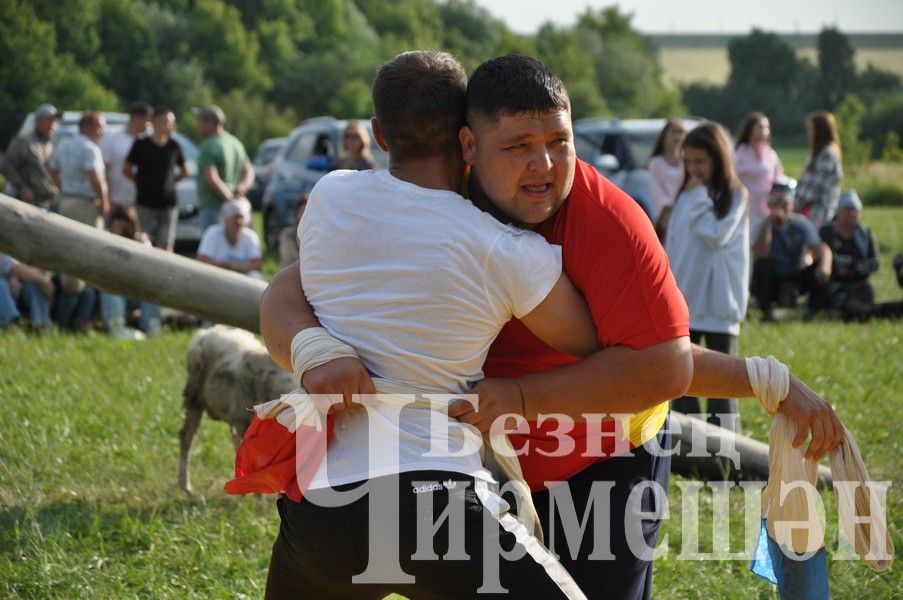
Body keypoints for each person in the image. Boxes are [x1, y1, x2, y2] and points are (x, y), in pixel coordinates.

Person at [259, 55, 844, 600]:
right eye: (516, 146)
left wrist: (767, 380)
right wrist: (313, 347)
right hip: (481, 470)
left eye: (558, 143)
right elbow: (291, 286)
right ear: (468, 146)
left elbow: (658, 363)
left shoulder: (607, 222)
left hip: (602, 457)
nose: (542, 165)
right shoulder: (435, 198)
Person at [256, 49, 606, 600]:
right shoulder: (506, 250)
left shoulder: (329, 197)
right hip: (440, 502)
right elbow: (598, 342)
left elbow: (285, 288)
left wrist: (312, 348)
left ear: (379, 134)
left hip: (321, 507)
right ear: (468, 138)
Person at [665, 122, 749, 433]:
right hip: (686, 298)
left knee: (722, 385)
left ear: (718, 158)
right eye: (689, 161)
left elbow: (715, 234)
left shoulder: (736, 196)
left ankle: (728, 456)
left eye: (700, 161)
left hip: (719, 304)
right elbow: (675, 242)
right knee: (682, 379)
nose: (694, 168)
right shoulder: (687, 195)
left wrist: (699, 196)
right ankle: (691, 449)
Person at [48, 111, 110, 298]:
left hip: (67, 201)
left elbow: (52, 170)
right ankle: (80, 301)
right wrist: (104, 201)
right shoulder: (90, 148)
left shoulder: (64, 146)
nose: (102, 132)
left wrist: (64, 188)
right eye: (100, 127)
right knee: (88, 253)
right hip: (85, 204)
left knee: (67, 251)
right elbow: (94, 177)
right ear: (87, 127)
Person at [751, 181, 832, 321]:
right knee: (762, 265)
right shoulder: (760, 225)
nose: (780, 208)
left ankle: (811, 312)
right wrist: (768, 225)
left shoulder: (801, 223)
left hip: (796, 272)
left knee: (823, 265)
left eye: (784, 203)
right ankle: (767, 312)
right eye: (775, 202)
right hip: (772, 275)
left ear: (792, 205)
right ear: (769, 204)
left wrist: (825, 266)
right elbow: (760, 253)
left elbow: (822, 248)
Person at [124, 107, 188, 251]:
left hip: (168, 203)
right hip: (145, 202)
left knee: (166, 243)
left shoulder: (174, 146)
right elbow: (126, 169)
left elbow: (185, 171)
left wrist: (170, 182)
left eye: (171, 122)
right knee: (142, 240)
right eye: (166, 121)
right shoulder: (141, 144)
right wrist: (141, 181)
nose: (169, 125)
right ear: (155, 122)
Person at [99, 207, 162, 338]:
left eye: (124, 223)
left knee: (152, 288)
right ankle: (116, 328)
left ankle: (151, 326)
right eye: (116, 222)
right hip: (113, 293)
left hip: (134, 292)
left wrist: (143, 245)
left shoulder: (139, 241)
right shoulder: (105, 239)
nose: (119, 226)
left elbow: (150, 267)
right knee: (110, 287)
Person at [819, 189, 879, 320]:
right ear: (839, 212)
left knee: (865, 292)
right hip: (833, 283)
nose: (851, 214)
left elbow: (874, 262)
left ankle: (862, 311)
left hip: (858, 284)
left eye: (855, 210)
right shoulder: (827, 232)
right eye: (847, 209)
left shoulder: (865, 234)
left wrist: (852, 266)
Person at [194, 105, 255, 231]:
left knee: (213, 245)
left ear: (209, 123)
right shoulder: (235, 143)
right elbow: (249, 171)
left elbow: (211, 178)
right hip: (236, 208)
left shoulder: (209, 146)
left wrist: (229, 199)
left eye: (199, 121)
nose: (197, 125)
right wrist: (242, 187)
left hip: (214, 207)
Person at [0, 103, 61, 208]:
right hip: (22, 200)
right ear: (38, 121)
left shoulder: (49, 145)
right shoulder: (24, 141)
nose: (52, 124)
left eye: (54, 121)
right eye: (48, 120)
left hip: (43, 201)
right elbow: (6, 166)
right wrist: (22, 187)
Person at [100, 103, 152, 220]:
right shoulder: (113, 137)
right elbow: (103, 168)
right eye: (147, 121)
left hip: (139, 202)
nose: (149, 125)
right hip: (115, 198)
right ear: (137, 119)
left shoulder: (148, 141)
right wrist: (107, 198)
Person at [733, 112, 783, 230]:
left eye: (766, 128)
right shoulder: (740, 154)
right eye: (760, 127)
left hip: (766, 208)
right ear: (750, 129)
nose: (764, 131)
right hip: (746, 209)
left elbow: (777, 177)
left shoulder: (770, 153)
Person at [796, 110, 842, 229]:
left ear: (820, 131)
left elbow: (813, 190)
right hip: (811, 213)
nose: (808, 133)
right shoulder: (819, 154)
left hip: (818, 215)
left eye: (811, 129)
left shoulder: (827, 155)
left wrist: (794, 207)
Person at [196, 197, 262, 278]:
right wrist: (223, 266)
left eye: (241, 218)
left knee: (255, 275)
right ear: (225, 219)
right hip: (216, 276)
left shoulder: (250, 236)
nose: (239, 222)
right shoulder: (212, 233)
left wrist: (236, 268)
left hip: (242, 278)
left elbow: (257, 264)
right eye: (235, 217)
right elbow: (202, 260)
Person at [648, 118, 687, 226]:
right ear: (665, 135)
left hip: (686, 214)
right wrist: (669, 209)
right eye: (674, 132)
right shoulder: (656, 163)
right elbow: (658, 192)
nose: (678, 136)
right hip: (666, 218)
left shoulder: (688, 161)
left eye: (681, 132)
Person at [0, 252, 53, 331]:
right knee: (1, 285)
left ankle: (41, 324)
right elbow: (7, 265)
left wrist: (14, 276)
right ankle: (11, 324)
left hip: (20, 285)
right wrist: (43, 281)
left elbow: (38, 266)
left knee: (33, 285)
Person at [277, 193, 307, 268]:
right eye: (303, 212)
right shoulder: (288, 235)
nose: (305, 216)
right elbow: (290, 263)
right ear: (297, 214)